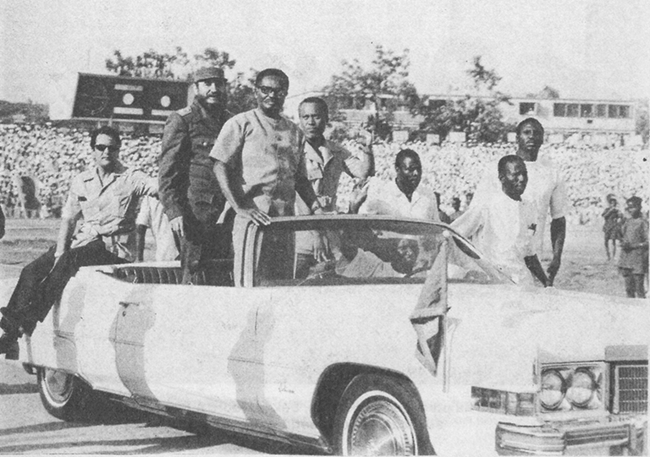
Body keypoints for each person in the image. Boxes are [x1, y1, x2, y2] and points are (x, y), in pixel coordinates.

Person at [0, 126, 157, 357]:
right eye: (100, 147)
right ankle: (11, 334)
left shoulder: (131, 177)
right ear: (92, 150)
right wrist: (57, 253)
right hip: (83, 242)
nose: (106, 152)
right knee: (31, 271)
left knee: (71, 258)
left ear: (119, 150)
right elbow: (68, 219)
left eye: (112, 148)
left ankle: (30, 319)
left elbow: (157, 187)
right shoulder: (82, 180)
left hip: (113, 247)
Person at [211, 68, 322, 284]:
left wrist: (317, 208)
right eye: (266, 90)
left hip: (284, 222)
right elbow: (219, 165)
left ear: (286, 94)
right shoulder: (241, 123)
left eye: (279, 91)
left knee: (281, 285)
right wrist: (240, 207)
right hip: (253, 220)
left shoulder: (295, 131)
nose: (272, 96)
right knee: (250, 283)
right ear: (256, 91)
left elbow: (300, 179)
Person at [474, 118, 568, 286]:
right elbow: (476, 213)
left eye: (536, 133)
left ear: (542, 138)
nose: (531, 137)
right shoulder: (496, 168)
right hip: (497, 259)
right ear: (517, 138)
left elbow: (558, 219)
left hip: (533, 256)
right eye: (526, 132)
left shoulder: (552, 172)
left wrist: (557, 258)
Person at [158, 67, 230, 284]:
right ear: (196, 88)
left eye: (218, 84)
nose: (213, 89)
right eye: (207, 84)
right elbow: (167, 173)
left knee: (224, 275)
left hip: (226, 214)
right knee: (195, 276)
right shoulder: (182, 120)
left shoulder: (231, 121)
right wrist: (174, 211)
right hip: (195, 216)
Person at [294, 96, 374, 277]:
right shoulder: (294, 152)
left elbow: (363, 172)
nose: (311, 122)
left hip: (330, 235)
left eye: (316, 116)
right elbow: (300, 195)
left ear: (326, 119)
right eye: (305, 117)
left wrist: (367, 149)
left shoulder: (336, 151)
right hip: (302, 234)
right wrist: (316, 235)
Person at [452, 155, 549, 286]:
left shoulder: (529, 207)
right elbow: (454, 234)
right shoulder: (487, 205)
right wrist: (475, 265)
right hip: (494, 283)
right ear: (502, 178)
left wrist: (547, 282)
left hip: (523, 281)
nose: (521, 179)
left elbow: (529, 253)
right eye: (515, 175)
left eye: (524, 174)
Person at [352, 149, 439, 222]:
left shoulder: (428, 196)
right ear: (397, 170)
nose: (416, 173)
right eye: (411, 169)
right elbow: (364, 223)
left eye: (418, 169)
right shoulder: (381, 194)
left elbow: (436, 231)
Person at [618, 196, 648, 298]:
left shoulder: (643, 223)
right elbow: (623, 236)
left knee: (639, 288)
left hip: (638, 260)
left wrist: (634, 245)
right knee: (628, 289)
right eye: (629, 207)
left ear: (639, 207)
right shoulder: (627, 222)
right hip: (627, 259)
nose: (630, 210)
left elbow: (648, 242)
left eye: (633, 207)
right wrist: (623, 243)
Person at [134, 195, 179, 262]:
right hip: (184, 250)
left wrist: (139, 258)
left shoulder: (149, 199)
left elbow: (140, 227)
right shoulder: (178, 191)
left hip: (166, 253)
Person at [602, 194, 622, 261]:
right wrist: (610, 211)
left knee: (613, 241)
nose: (612, 204)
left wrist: (619, 213)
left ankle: (613, 256)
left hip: (613, 226)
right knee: (606, 241)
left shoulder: (616, 211)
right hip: (607, 226)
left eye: (614, 203)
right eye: (611, 203)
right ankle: (608, 255)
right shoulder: (607, 209)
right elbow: (604, 216)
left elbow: (621, 217)